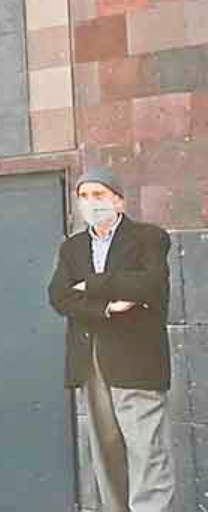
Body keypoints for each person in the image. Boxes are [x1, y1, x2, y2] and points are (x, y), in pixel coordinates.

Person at [48, 168, 174, 512]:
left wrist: (90, 285)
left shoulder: (149, 237)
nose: (92, 203)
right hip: (91, 363)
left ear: (119, 200)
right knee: (107, 452)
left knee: (147, 450)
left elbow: (147, 285)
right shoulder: (72, 247)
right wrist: (107, 305)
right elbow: (59, 297)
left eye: (100, 195)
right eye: (84, 196)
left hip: (137, 361)